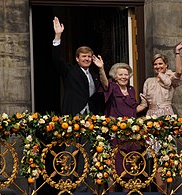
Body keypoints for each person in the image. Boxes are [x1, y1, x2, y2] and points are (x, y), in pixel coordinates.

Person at [51, 16, 105, 193]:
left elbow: (103, 90)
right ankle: (66, 184)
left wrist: (101, 68)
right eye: (84, 57)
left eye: (89, 56)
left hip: (90, 119)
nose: (87, 59)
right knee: (70, 151)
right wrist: (57, 36)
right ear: (77, 58)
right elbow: (57, 59)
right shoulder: (70, 71)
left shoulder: (95, 74)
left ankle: (84, 188)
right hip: (72, 117)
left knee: (88, 154)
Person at [137, 40, 182, 192]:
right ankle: (159, 189)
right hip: (151, 118)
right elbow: (143, 104)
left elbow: (179, 72)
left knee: (166, 156)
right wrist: (124, 112)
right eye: (155, 64)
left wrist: (177, 52)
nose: (158, 67)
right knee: (154, 157)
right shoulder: (148, 81)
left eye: (161, 64)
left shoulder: (170, 78)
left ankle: (165, 189)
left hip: (166, 117)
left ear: (166, 65)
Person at [94, 60, 140, 192]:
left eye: (126, 74)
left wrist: (146, 103)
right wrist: (101, 68)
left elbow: (133, 109)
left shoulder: (132, 90)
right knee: (114, 167)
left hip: (130, 135)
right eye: (121, 75)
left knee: (130, 168)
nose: (124, 77)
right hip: (115, 135)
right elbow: (104, 83)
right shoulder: (112, 87)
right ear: (115, 76)